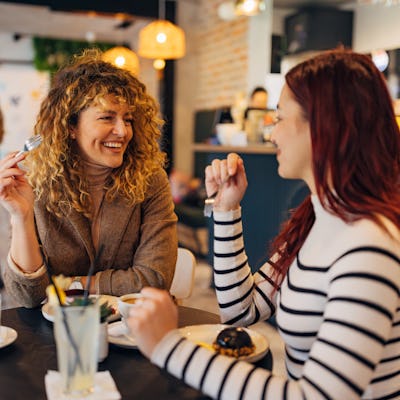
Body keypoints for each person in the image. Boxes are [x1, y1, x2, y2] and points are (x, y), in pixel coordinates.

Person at [126, 49, 400, 399]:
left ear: (323, 127)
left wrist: (168, 347)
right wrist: (226, 210)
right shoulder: (319, 217)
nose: (271, 133)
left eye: (280, 118)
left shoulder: (369, 247)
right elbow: (242, 310)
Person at [0, 49, 177, 308]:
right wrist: (21, 216)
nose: (122, 131)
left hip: (130, 330)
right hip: (55, 333)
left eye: (128, 119)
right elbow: (28, 296)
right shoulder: (34, 182)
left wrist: (70, 286)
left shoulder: (149, 179)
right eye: (107, 117)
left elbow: (155, 279)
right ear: (71, 126)